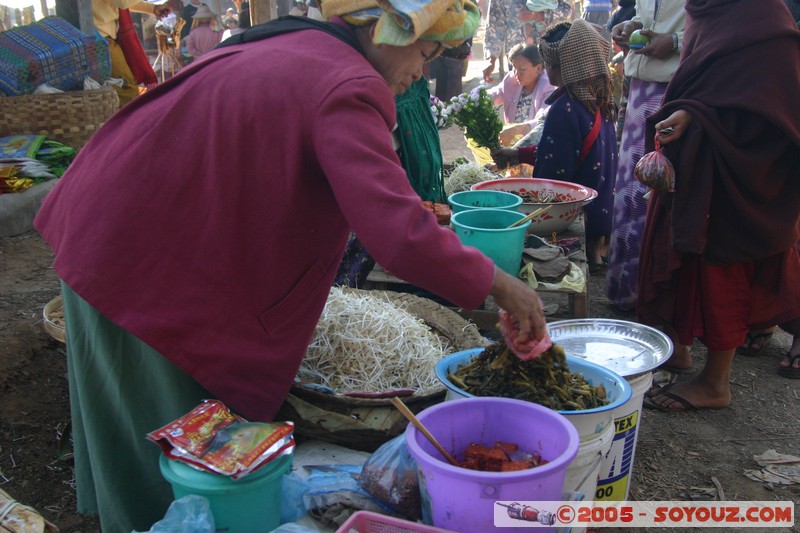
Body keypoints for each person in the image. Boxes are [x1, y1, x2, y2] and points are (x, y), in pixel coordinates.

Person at [33, 0, 549, 530]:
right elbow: (399, 235)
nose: (423, 69)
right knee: (171, 449)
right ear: (380, 30)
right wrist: (502, 285)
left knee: (135, 419)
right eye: (425, 49)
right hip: (136, 255)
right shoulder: (347, 84)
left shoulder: (303, 46)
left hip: (114, 224)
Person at [639, 0, 800, 410]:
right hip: (695, 150)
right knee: (678, 246)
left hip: (739, 163)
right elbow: (701, 73)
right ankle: (677, 348)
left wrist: (696, 115)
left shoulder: (762, 15)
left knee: (720, 262)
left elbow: (771, 97)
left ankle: (716, 382)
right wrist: (689, 112)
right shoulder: (706, 7)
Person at [492, 19, 617, 270]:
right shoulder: (598, 99)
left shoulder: (564, 108)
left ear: (565, 68)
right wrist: (518, 154)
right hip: (600, 208)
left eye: (548, 64)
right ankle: (594, 255)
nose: (546, 71)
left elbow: (553, 173)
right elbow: (568, 150)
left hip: (573, 214)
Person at [604, 0, 685, 311]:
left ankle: (654, 301)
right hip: (639, 88)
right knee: (630, 192)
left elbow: (721, 29)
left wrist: (675, 42)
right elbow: (646, 16)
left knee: (657, 195)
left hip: (673, 91)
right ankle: (625, 289)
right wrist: (632, 27)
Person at [92, 0, 171, 105]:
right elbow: (123, 3)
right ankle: (127, 120)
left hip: (101, 35)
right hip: (100, 38)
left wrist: (151, 8)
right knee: (127, 89)